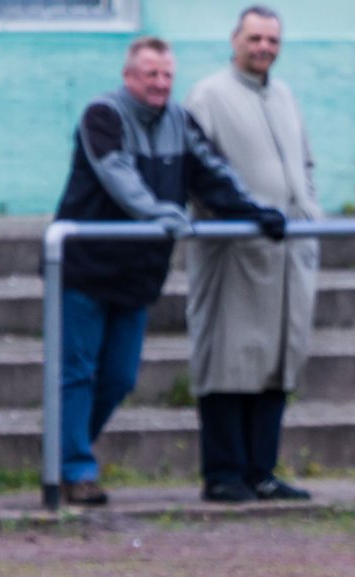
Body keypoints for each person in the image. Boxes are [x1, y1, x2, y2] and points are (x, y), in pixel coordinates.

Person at [54, 36, 285, 506]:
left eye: (166, 75)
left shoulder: (179, 121)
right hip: (84, 268)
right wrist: (161, 213)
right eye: (150, 75)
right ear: (129, 77)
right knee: (77, 373)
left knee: (119, 377)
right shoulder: (102, 116)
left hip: (137, 275)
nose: (160, 84)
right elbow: (119, 177)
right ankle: (73, 466)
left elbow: (211, 172)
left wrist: (254, 210)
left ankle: (57, 451)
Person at [184, 6, 321, 503]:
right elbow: (198, 169)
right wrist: (242, 212)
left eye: (272, 40)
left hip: (288, 252)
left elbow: (303, 162)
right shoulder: (208, 95)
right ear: (235, 40)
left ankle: (262, 470)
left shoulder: (283, 95)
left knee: (277, 359)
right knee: (229, 357)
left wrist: (305, 203)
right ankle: (223, 472)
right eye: (255, 38)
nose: (264, 47)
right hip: (235, 250)